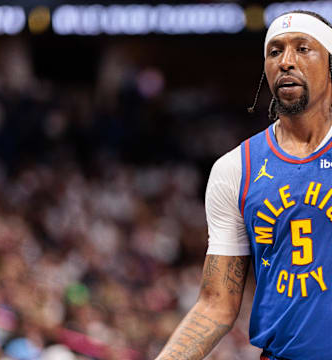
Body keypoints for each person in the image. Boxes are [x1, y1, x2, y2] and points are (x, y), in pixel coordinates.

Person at [155, 10, 332, 360]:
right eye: (275, 51)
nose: (286, 61)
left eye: (302, 48)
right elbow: (216, 305)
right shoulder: (234, 168)